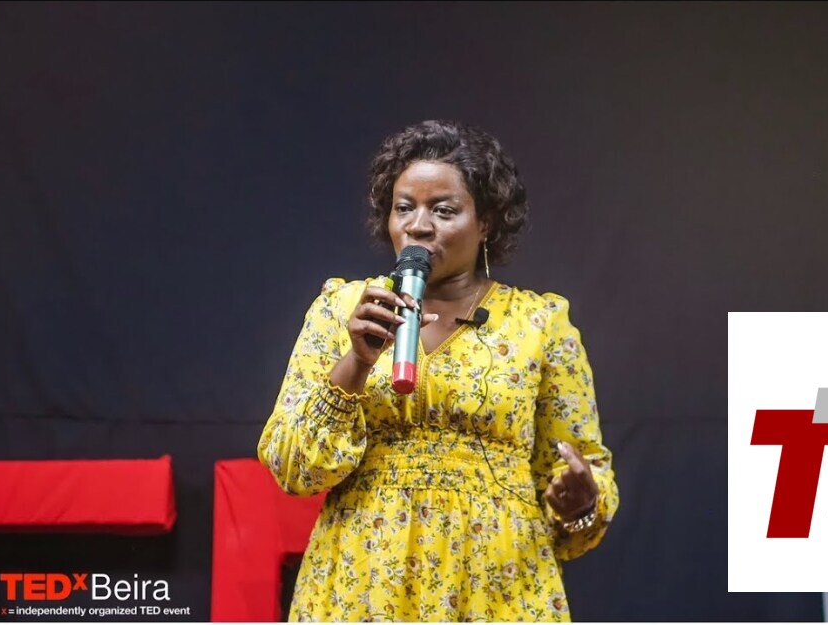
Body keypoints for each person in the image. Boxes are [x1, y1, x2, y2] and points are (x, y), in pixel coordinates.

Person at [258, 120, 619, 622]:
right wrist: (357, 362)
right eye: (404, 207)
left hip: (497, 587)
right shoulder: (343, 308)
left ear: (486, 221)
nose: (418, 225)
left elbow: (581, 475)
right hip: (365, 583)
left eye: (443, 210)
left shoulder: (539, 324)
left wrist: (580, 504)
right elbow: (292, 466)